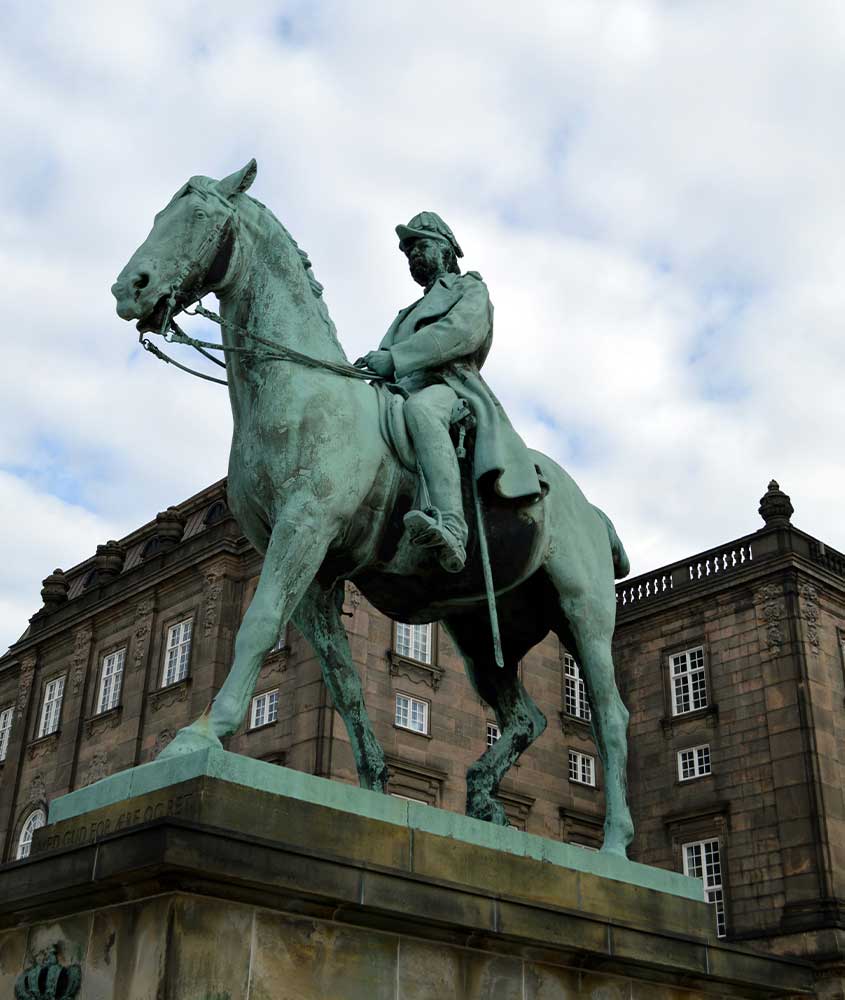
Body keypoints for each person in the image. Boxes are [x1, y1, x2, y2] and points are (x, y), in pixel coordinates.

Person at [359, 212, 541, 573]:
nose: (413, 256)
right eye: (408, 252)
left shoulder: (470, 288)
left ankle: (452, 527)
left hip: (449, 387)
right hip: (397, 391)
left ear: (447, 250)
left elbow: (462, 333)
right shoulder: (405, 312)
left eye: (420, 246)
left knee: (422, 412)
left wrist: (395, 358)